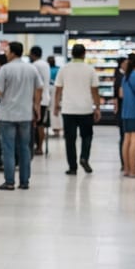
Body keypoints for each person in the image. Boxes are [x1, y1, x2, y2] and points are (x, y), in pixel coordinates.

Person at [0, 42, 42, 190]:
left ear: (12, 53)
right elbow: (39, 87)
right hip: (26, 114)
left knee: (8, 148)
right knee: (25, 148)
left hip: (7, 115)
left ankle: (10, 181)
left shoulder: (6, 69)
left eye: (7, 51)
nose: (6, 53)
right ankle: (24, 181)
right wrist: (36, 107)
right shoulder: (31, 68)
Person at [52, 43, 101, 175]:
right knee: (87, 136)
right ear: (84, 54)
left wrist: (56, 105)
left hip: (68, 109)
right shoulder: (90, 69)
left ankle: (72, 167)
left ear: (72, 54)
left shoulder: (64, 69)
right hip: (85, 109)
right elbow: (95, 90)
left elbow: (58, 90)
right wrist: (97, 107)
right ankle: (84, 157)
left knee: (70, 139)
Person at [29, 46, 51, 156]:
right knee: (41, 124)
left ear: (33, 54)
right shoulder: (46, 64)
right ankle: (39, 147)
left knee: (37, 124)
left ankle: (39, 148)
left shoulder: (35, 65)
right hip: (45, 98)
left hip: (39, 99)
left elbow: (35, 84)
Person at [112, 56, 129, 170]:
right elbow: (119, 95)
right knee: (124, 136)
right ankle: (124, 163)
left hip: (122, 109)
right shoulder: (121, 77)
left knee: (124, 136)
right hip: (124, 109)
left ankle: (125, 162)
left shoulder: (120, 76)